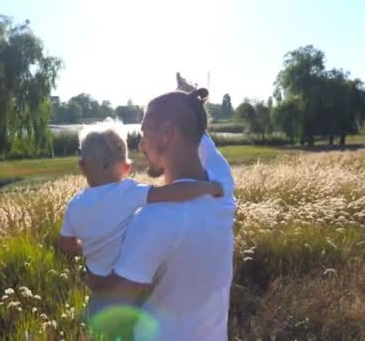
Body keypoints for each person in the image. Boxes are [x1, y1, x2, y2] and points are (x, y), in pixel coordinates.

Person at [89, 88, 237, 340]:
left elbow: (110, 316)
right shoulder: (222, 186)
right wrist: (189, 102)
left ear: (166, 134)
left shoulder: (156, 218)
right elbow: (197, 135)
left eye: (145, 133)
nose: (141, 144)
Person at [57, 118, 223, 318]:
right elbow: (171, 192)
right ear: (126, 168)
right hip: (130, 289)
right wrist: (207, 187)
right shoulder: (128, 192)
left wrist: (87, 245)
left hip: (98, 287)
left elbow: (66, 244)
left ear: (83, 167)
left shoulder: (75, 205)